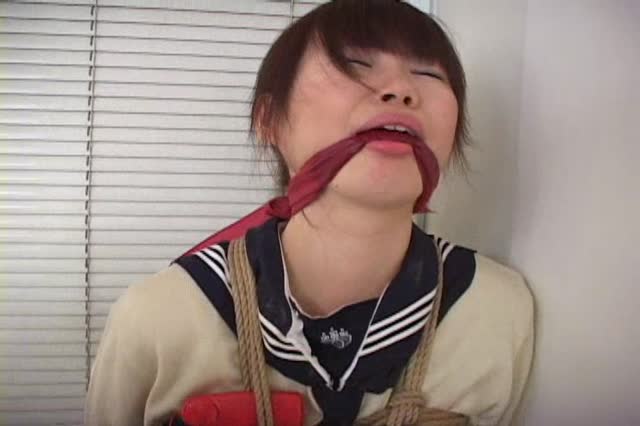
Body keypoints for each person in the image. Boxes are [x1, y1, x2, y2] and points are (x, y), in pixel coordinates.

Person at [85, 1, 534, 425]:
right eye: (355, 64)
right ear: (269, 120)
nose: (401, 89)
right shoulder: (158, 317)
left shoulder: (497, 312)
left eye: (427, 73)